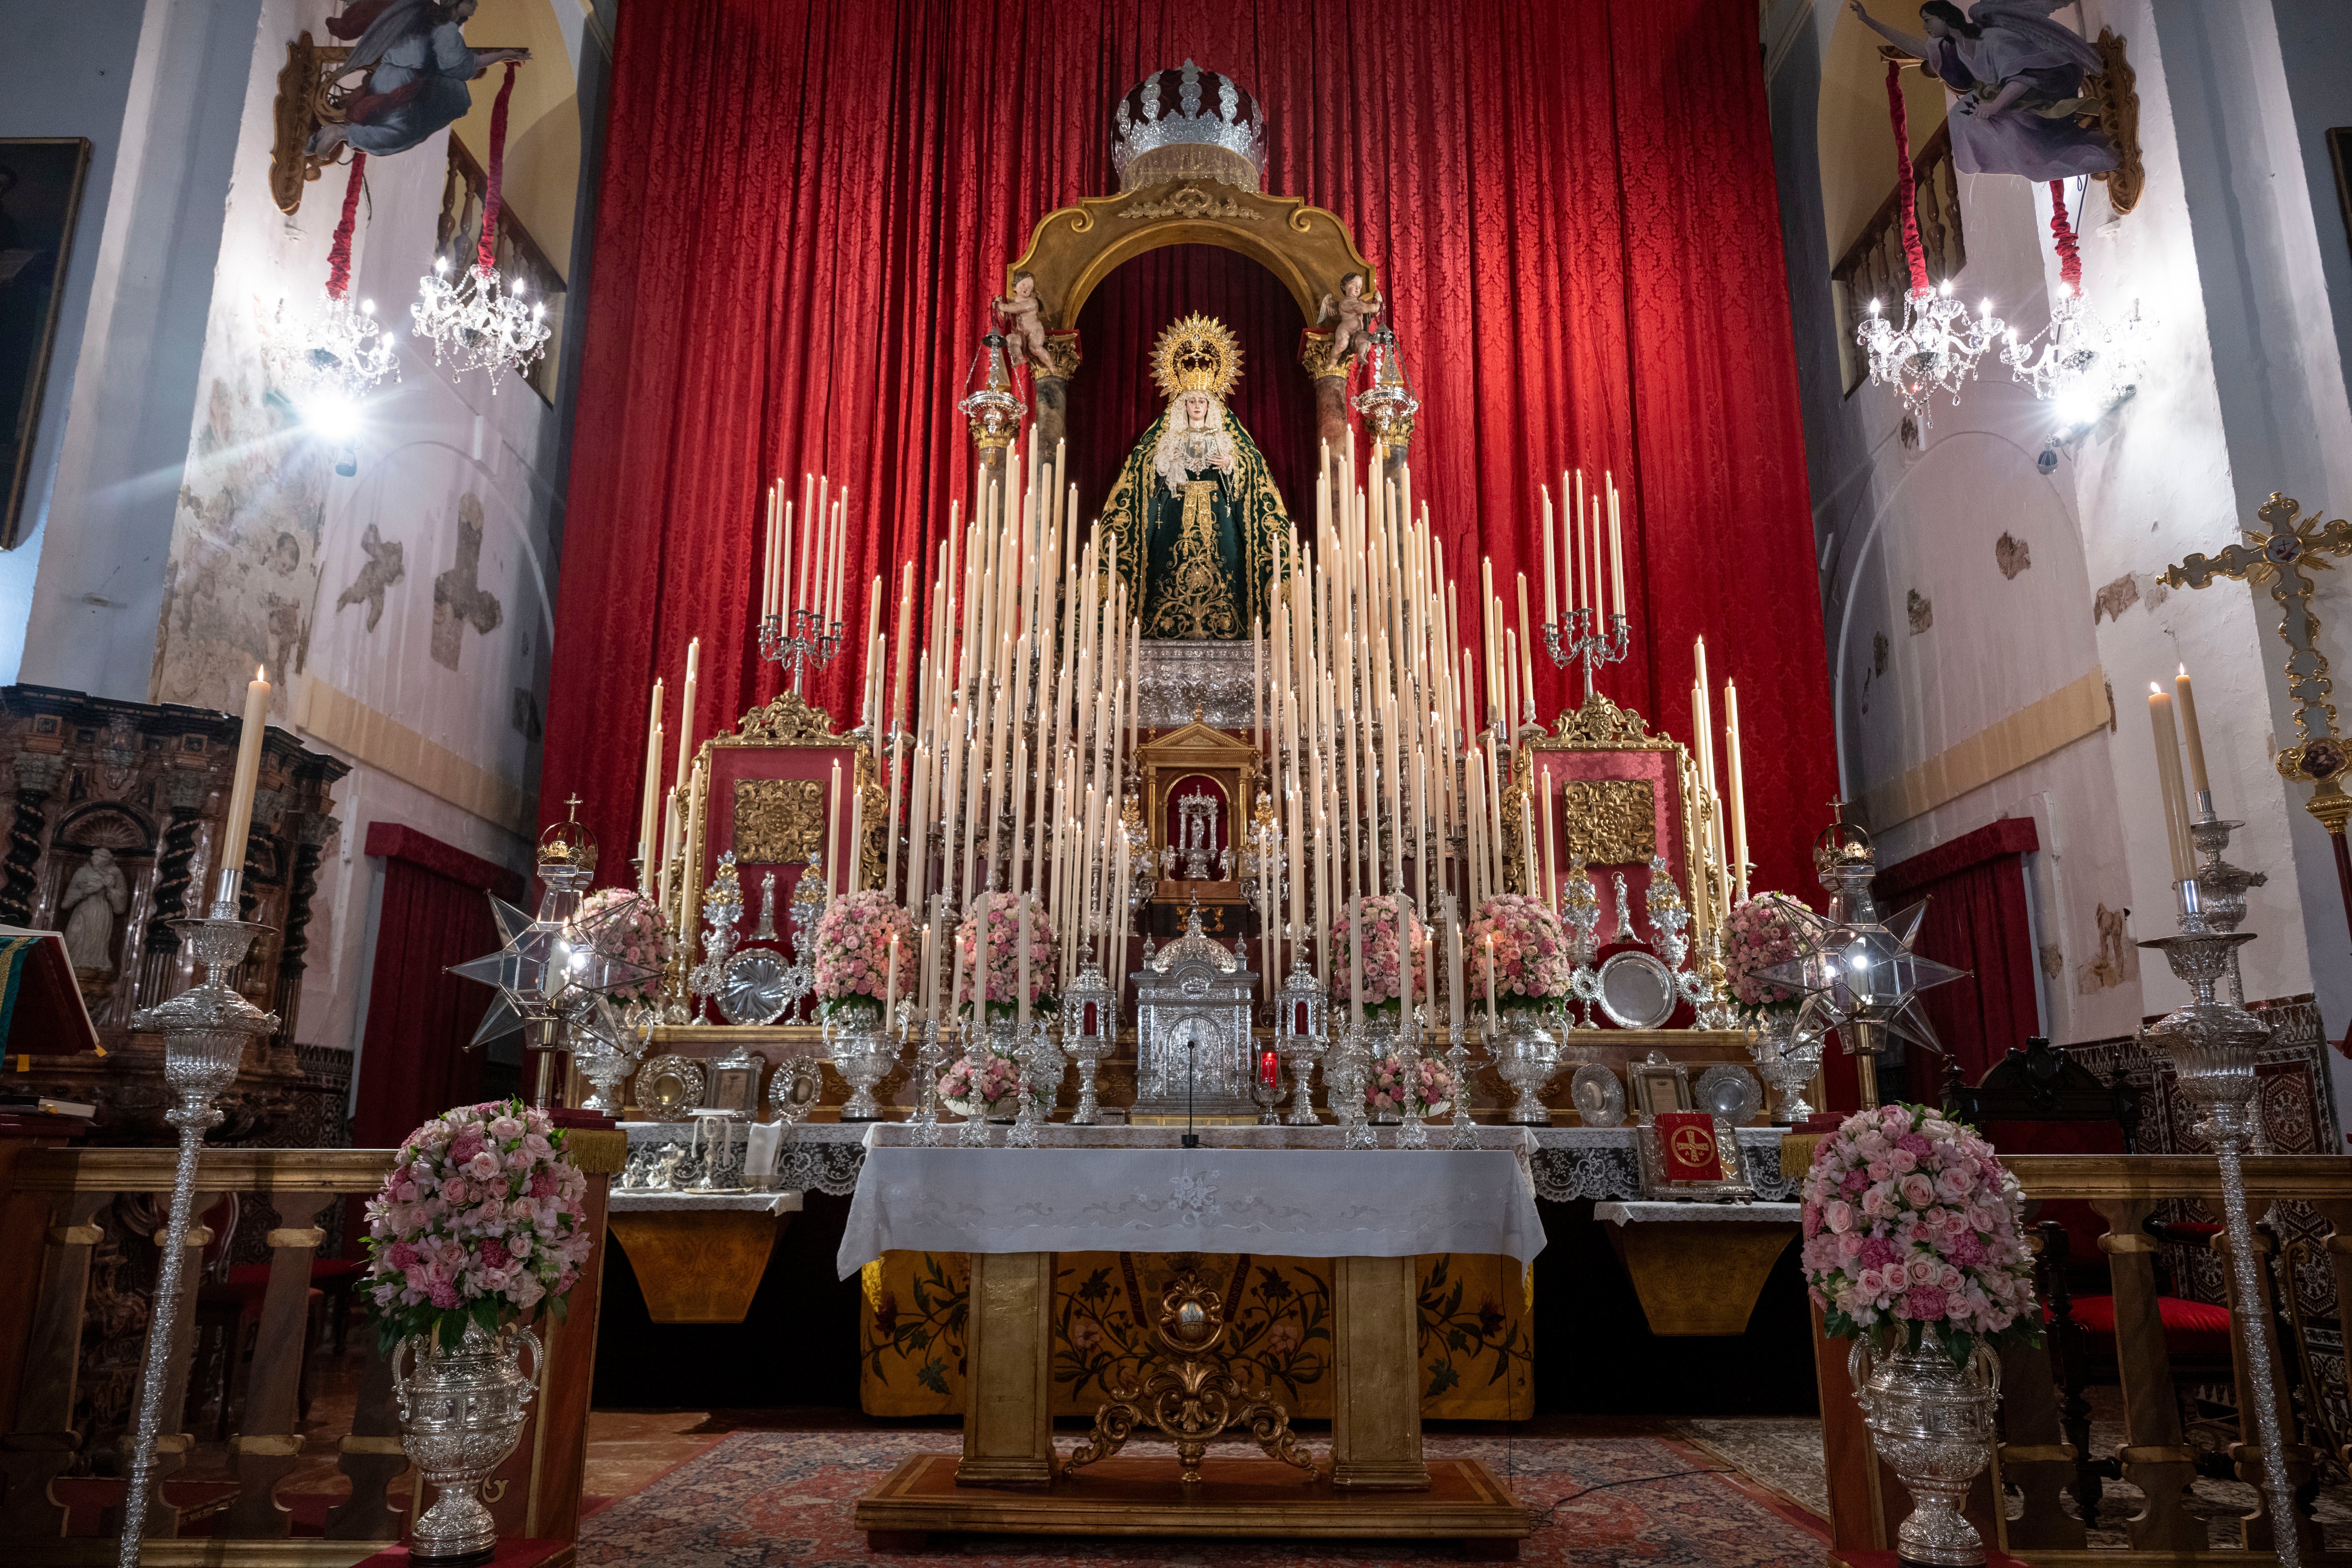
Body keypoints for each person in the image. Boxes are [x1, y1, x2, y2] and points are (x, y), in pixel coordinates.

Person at [1098, 315, 1295, 642]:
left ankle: (1227, 624)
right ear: (1182, 404)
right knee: (1167, 563)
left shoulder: (1227, 435)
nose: (1197, 406)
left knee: (1228, 561)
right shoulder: (1168, 435)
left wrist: (1231, 463)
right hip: (1175, 512)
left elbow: (1252, 470)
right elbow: (1144, 471)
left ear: (1211, 403)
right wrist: (1164, 463)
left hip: (1221, 514)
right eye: (1191, 401)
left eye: (1202, 401)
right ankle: (1166, 624)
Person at [1847, 0, 2117, 182]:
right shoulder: (1953, 48)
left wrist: (1993, 106)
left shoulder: (1992, 40)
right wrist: (1868, 21)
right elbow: (1914, 47)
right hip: (2011, 106)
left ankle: (2099, 155)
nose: (1925, 28)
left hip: (2040, 91)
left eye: (1928, 20)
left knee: (2032, 159)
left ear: (1945, 17)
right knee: (1962, 121)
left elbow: (2026, 77)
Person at [307, 0, 532, 160]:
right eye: (471, 1)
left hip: (385, 77)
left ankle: (331, 136)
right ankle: (341, 133)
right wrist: (503, 55)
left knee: (386, 127)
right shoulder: (446, 32)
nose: (476, 6)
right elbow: (463, 67)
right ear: (456, 5)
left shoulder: (419, 10)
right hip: (404, 85)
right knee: (402, 133)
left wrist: (504, 55)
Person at [60, 848, 127, 976]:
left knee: (95, 937)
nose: (95, 859)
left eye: (100, 857)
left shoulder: (115, 874)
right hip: (83, 909)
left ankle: (94, 963)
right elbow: (66, 903)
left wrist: (110, 888)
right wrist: (84, 892)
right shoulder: (82, 872)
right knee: (74, 935)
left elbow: (121, 907)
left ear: (107, 861)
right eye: (94, 857)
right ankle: (72, 961)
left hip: (101, 911)